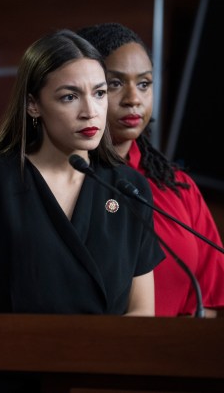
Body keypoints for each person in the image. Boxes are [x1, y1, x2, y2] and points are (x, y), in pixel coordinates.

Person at [0, 29, 165, 391]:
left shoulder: (129, 187)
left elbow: (142, 312)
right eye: (69, 96)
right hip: (0, 379)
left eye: (100, 93)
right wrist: (31, 348)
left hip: (95, 382)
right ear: (33, 104)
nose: (90, 111)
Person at [77, 22, 224, 317]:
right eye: (115, 83)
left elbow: (207, 304)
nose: (134, 99)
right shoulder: (59, 178)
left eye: (144, 83)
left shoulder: (178, 186)